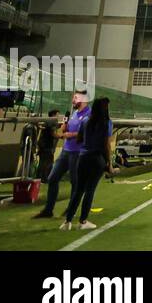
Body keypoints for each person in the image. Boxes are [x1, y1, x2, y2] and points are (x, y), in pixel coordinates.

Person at [60, 97, 114, 231]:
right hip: (97, 159)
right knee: (90, 191)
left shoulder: (85, 121)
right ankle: (83, 221)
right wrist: (109, 163)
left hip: (83, 157)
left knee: (78, 190)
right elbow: (107, 145)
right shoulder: (107, 122)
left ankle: (67, 221)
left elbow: (79, 139)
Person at [34, 92, 89, 220]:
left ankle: (71, 210)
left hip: (78, 152)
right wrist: (64, 128)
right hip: (66, 151)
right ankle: (48, 210)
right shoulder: (74, 114)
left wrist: (72, 134)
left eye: (75, 98)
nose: (73, 101)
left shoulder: (89, 114)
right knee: (52, 178)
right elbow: (63, 130)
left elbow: (87, 132)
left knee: (75, 182)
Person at [35, 110, 61, 181]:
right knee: (47, 162)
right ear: (53, 115)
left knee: (42, 161)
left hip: (42, 144)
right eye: (57, 115)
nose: (58, 116)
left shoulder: (47, 121)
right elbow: (52, 133)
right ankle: (44, 178)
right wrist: (61, 136)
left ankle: (38, 177)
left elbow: (45, 128)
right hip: (47, 145)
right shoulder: (52, 121)